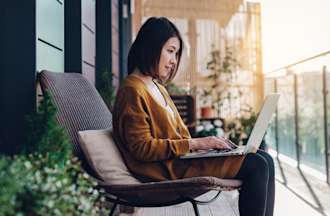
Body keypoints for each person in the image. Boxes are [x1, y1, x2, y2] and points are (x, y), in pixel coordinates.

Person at [112, 17, 275, 216]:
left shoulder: (156, 87)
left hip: (182, 160)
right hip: (166, 169)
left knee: (265, 158)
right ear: (151, 47)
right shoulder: (132, 90)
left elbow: (180, 137)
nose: (173, 61)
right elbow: (141, 148)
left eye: (176, 54)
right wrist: (198, 144)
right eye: (170, 51)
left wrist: (212, 148)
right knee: (257, 164)